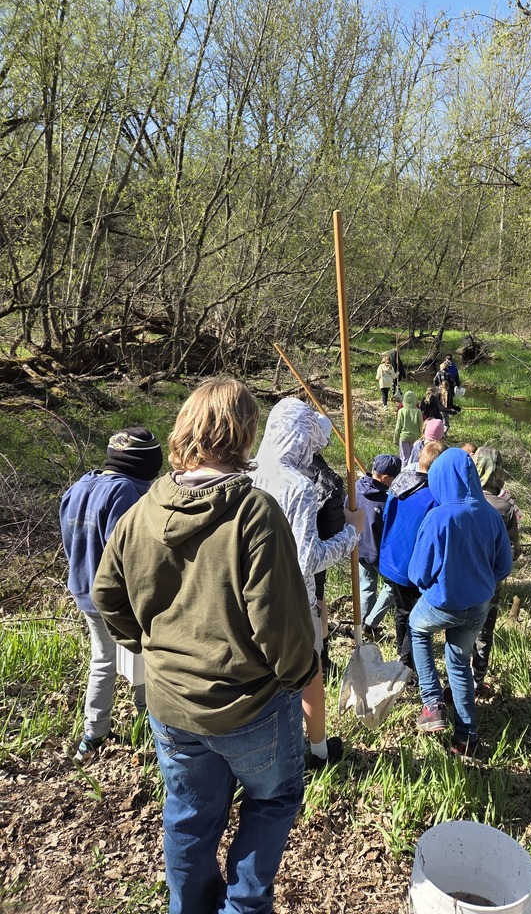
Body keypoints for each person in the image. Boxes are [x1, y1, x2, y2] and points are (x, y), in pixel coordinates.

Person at [92, 379, 316, 914]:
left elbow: (107, 594)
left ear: (186, 430)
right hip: (252, 705)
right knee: (273, 799)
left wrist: (147, 648)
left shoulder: (142, 511)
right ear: (244, 435)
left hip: (171, 705)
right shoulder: (253, 513)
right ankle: (240, 907)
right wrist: (298, 675)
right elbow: (281, 625)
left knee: (190, 813)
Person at [250, 398, 363, 772]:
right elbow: (307, 559)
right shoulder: (297, 486)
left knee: (264, 677)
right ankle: (317, 753)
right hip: (292, 599)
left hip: (250, 594)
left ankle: (266, 751)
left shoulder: (248, 472)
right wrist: (352, 534)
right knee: (308, 673)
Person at [60, 426, 163, 764]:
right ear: (144, 465)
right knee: (146, 654)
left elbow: (69, 544)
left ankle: (93, 732)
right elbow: (129, 554)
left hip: (83, 588)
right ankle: (149, 720)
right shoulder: (124, 493)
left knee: (103, 659)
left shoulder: (78, 487)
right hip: (118, 597)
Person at [407, 448, 512, 757]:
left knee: (417, 627)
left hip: (444, 602)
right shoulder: (492, 514)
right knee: (459, 661)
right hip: (479, 606)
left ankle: (432, 704)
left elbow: (418, 573)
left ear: (442, 477)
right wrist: (482, 581)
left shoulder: (438, 516)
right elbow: (504, 566)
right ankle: (466, 737)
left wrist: (432, 586)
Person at [378, 439, 447, 676]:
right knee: (416, 619)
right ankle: (407, 666)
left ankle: (402, 653)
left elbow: (386, 515)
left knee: (402, 611)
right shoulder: (435, 497)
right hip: (413, 567)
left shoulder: (399, 484)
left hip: (390, 559)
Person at [470, 447, 521, 695]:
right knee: (484, 631)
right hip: (491, 583)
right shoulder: (505, 507)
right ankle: (477, 681)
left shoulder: (462, 499)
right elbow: (514, 550)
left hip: (463, 579)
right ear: (499, 472)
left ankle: (457, 680)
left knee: (459, 628)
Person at [345, 453, 401, 634]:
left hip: (358, 546)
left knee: (367, 584)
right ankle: (371, 622)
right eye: (394, 478)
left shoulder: (356, 488)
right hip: (378, 552)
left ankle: (361, 625)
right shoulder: (385, 500)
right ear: (385, 478)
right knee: (392, 586)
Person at [305, 448, 346, 680]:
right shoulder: (324, 476)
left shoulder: (269, 464)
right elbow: (334, 527)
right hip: (316, 548)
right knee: (317, 601)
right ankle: (321, 656)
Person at [393, 389, 424, 464]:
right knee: (414, 458)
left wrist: (395, 439)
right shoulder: (418, 411)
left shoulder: (401, 411)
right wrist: (423, 437)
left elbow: (398, 427)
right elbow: (421, 426)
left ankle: (403, 473)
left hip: (404, 437)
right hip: (416, 438)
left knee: (404, 458)